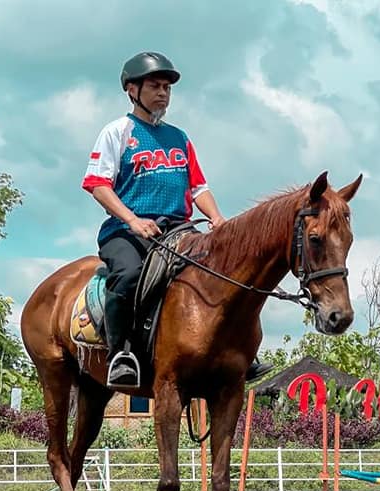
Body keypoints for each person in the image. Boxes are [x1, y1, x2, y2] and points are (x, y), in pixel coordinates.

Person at [82, 51, 271, 388]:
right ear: (131, 89)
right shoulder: (118, 131)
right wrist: (134, 220)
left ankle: (241, 351)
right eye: (155, 86)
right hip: (127, 232)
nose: (163, 93)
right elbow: (97, 185)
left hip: (178, 229)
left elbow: (199, 187)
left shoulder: (180, 138)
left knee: (222, 270)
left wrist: (217, 218)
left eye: (167, 88)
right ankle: (121, 354)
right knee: (127, 275)